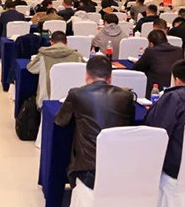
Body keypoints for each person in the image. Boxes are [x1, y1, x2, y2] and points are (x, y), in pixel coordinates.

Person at [54, 55, 134, 190]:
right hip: (119, 169)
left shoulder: (77, 94)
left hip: (88, 171)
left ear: (86, 75)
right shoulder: (126, 96)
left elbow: (60, 121)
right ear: (110, 78)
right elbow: (130, 125)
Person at [27, 31, 84, 107]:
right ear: (66, 43)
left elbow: (31, 68)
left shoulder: (43, 55)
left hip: (46, 102)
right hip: (73, 103)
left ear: (51, 42)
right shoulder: (77, 56)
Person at [132, 30, 184, 97]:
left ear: (151, 44)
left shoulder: (150, 51)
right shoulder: (179, 50)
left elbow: (137, 68)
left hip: (156, 90)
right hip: (177, 89)